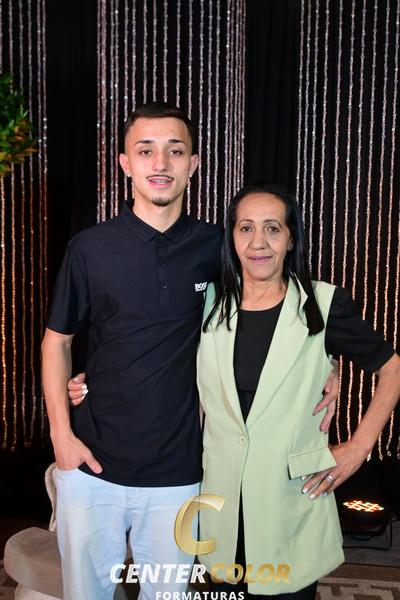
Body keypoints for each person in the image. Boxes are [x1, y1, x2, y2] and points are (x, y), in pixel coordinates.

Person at [43, 103, 337, 600]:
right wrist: (61, 438)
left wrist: (327, 364)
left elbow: (283, 307)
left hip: (181, 475)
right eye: (146, 151)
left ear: (193, 164)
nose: (160, 163)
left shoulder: (219, 248)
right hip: (91, 468)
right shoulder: (89, 248)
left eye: (175, 151)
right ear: (125, 163)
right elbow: (58, 341)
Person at [197, 182, 400, 599]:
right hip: (221, 504)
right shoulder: (209, 303)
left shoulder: (323, 305)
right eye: (246, 228)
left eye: (272, 228)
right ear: (232, 237)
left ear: (291, 239)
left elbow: (393, 368)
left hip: (288, 504)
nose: (258, 242)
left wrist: (359, 448)